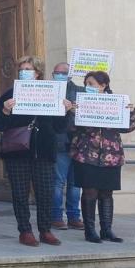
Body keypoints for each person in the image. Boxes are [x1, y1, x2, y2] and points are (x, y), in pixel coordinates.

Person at [0, 56, 70, 247]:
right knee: (20, 193)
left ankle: (45, 230)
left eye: (28, 69)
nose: (24, 72)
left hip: (43, 151)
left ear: (38, 73)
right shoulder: (11, 93)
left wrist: (65, 110)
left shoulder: (51, 93)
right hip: (18, 152)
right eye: (22, 70)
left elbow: (60, 127)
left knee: (45, 192)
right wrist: (5, 111)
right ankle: (25, 231)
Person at [66, 71, 135, 243]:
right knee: (90, 191)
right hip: (86, 154)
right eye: (86, 84)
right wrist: (72, 112)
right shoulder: (80, 103)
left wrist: (131, 112)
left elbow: (127, 128)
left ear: (103, 85)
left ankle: (107, 229)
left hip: (110, 156)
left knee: (106, 192)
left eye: (91, 84)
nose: (88, 87)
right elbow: (70, 128)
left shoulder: (117, 102)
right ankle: (90, 230)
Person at [51, 62, 83, 230]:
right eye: (57, 72)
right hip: (59, 142)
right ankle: (56, 216)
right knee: (58, 182)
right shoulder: (49, 90)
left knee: (75, 183)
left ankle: (74, 217)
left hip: (77, 143)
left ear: (70, 75)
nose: (60, 75)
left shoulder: (81, 92)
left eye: (64, 72)